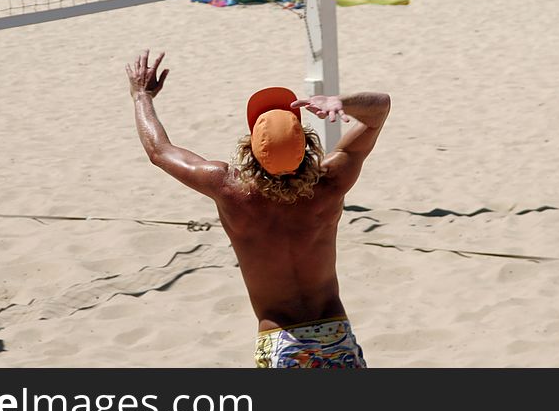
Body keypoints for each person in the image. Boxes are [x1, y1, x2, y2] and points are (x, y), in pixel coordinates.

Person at [126, 50, 391, 368]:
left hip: (280, 342)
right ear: (305, 143)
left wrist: (142, 96)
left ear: (251, 147)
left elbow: (159, 151)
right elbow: (380, 107)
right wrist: (340, 102)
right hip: (335, 335)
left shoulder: (227, 188)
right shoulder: (330, 182)